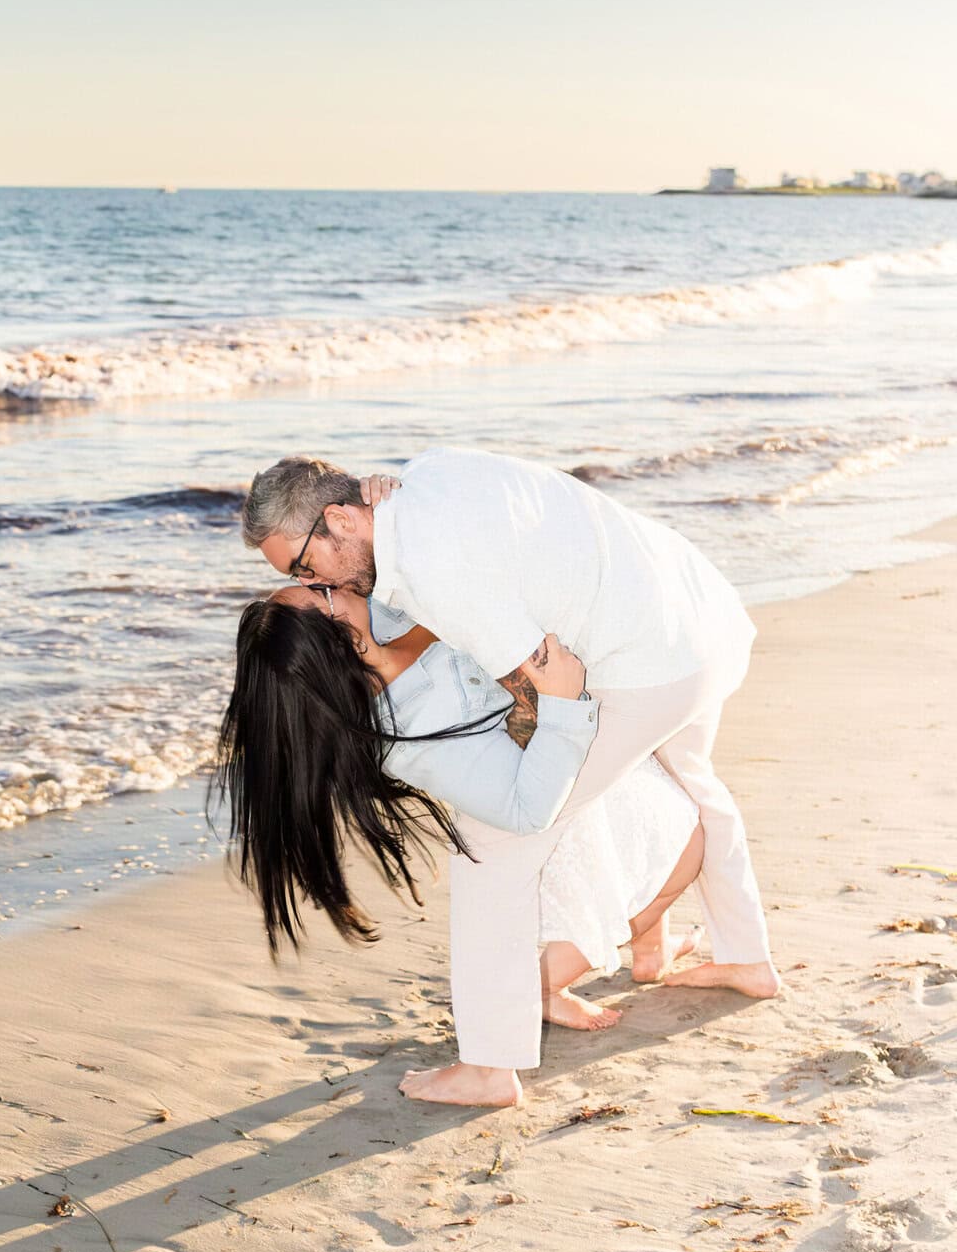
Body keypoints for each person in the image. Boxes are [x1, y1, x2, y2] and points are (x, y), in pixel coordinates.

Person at [240, 449, 780, 1068]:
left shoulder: (415, 580)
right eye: (305, 582)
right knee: (686, 784)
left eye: (308, 569)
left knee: (491, 850)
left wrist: (558, 707)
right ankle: (743, 955)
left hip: (653, 663)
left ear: (340, 518)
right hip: (695, 608)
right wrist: (386, 492)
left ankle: (490, 1064)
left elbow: (541, 692)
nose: (317, 584)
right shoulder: (427, 476)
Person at [214, 581, 708, 1107]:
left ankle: (650, 950)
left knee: (654, 831)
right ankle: (542, 988)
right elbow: (527, 805)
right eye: (319, 590)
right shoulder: (406, 732)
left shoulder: (382, 624)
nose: (328, 580)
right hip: (551, 764)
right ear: (344, 640)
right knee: (679, 854)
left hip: (562, 746)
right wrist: (562, 702)